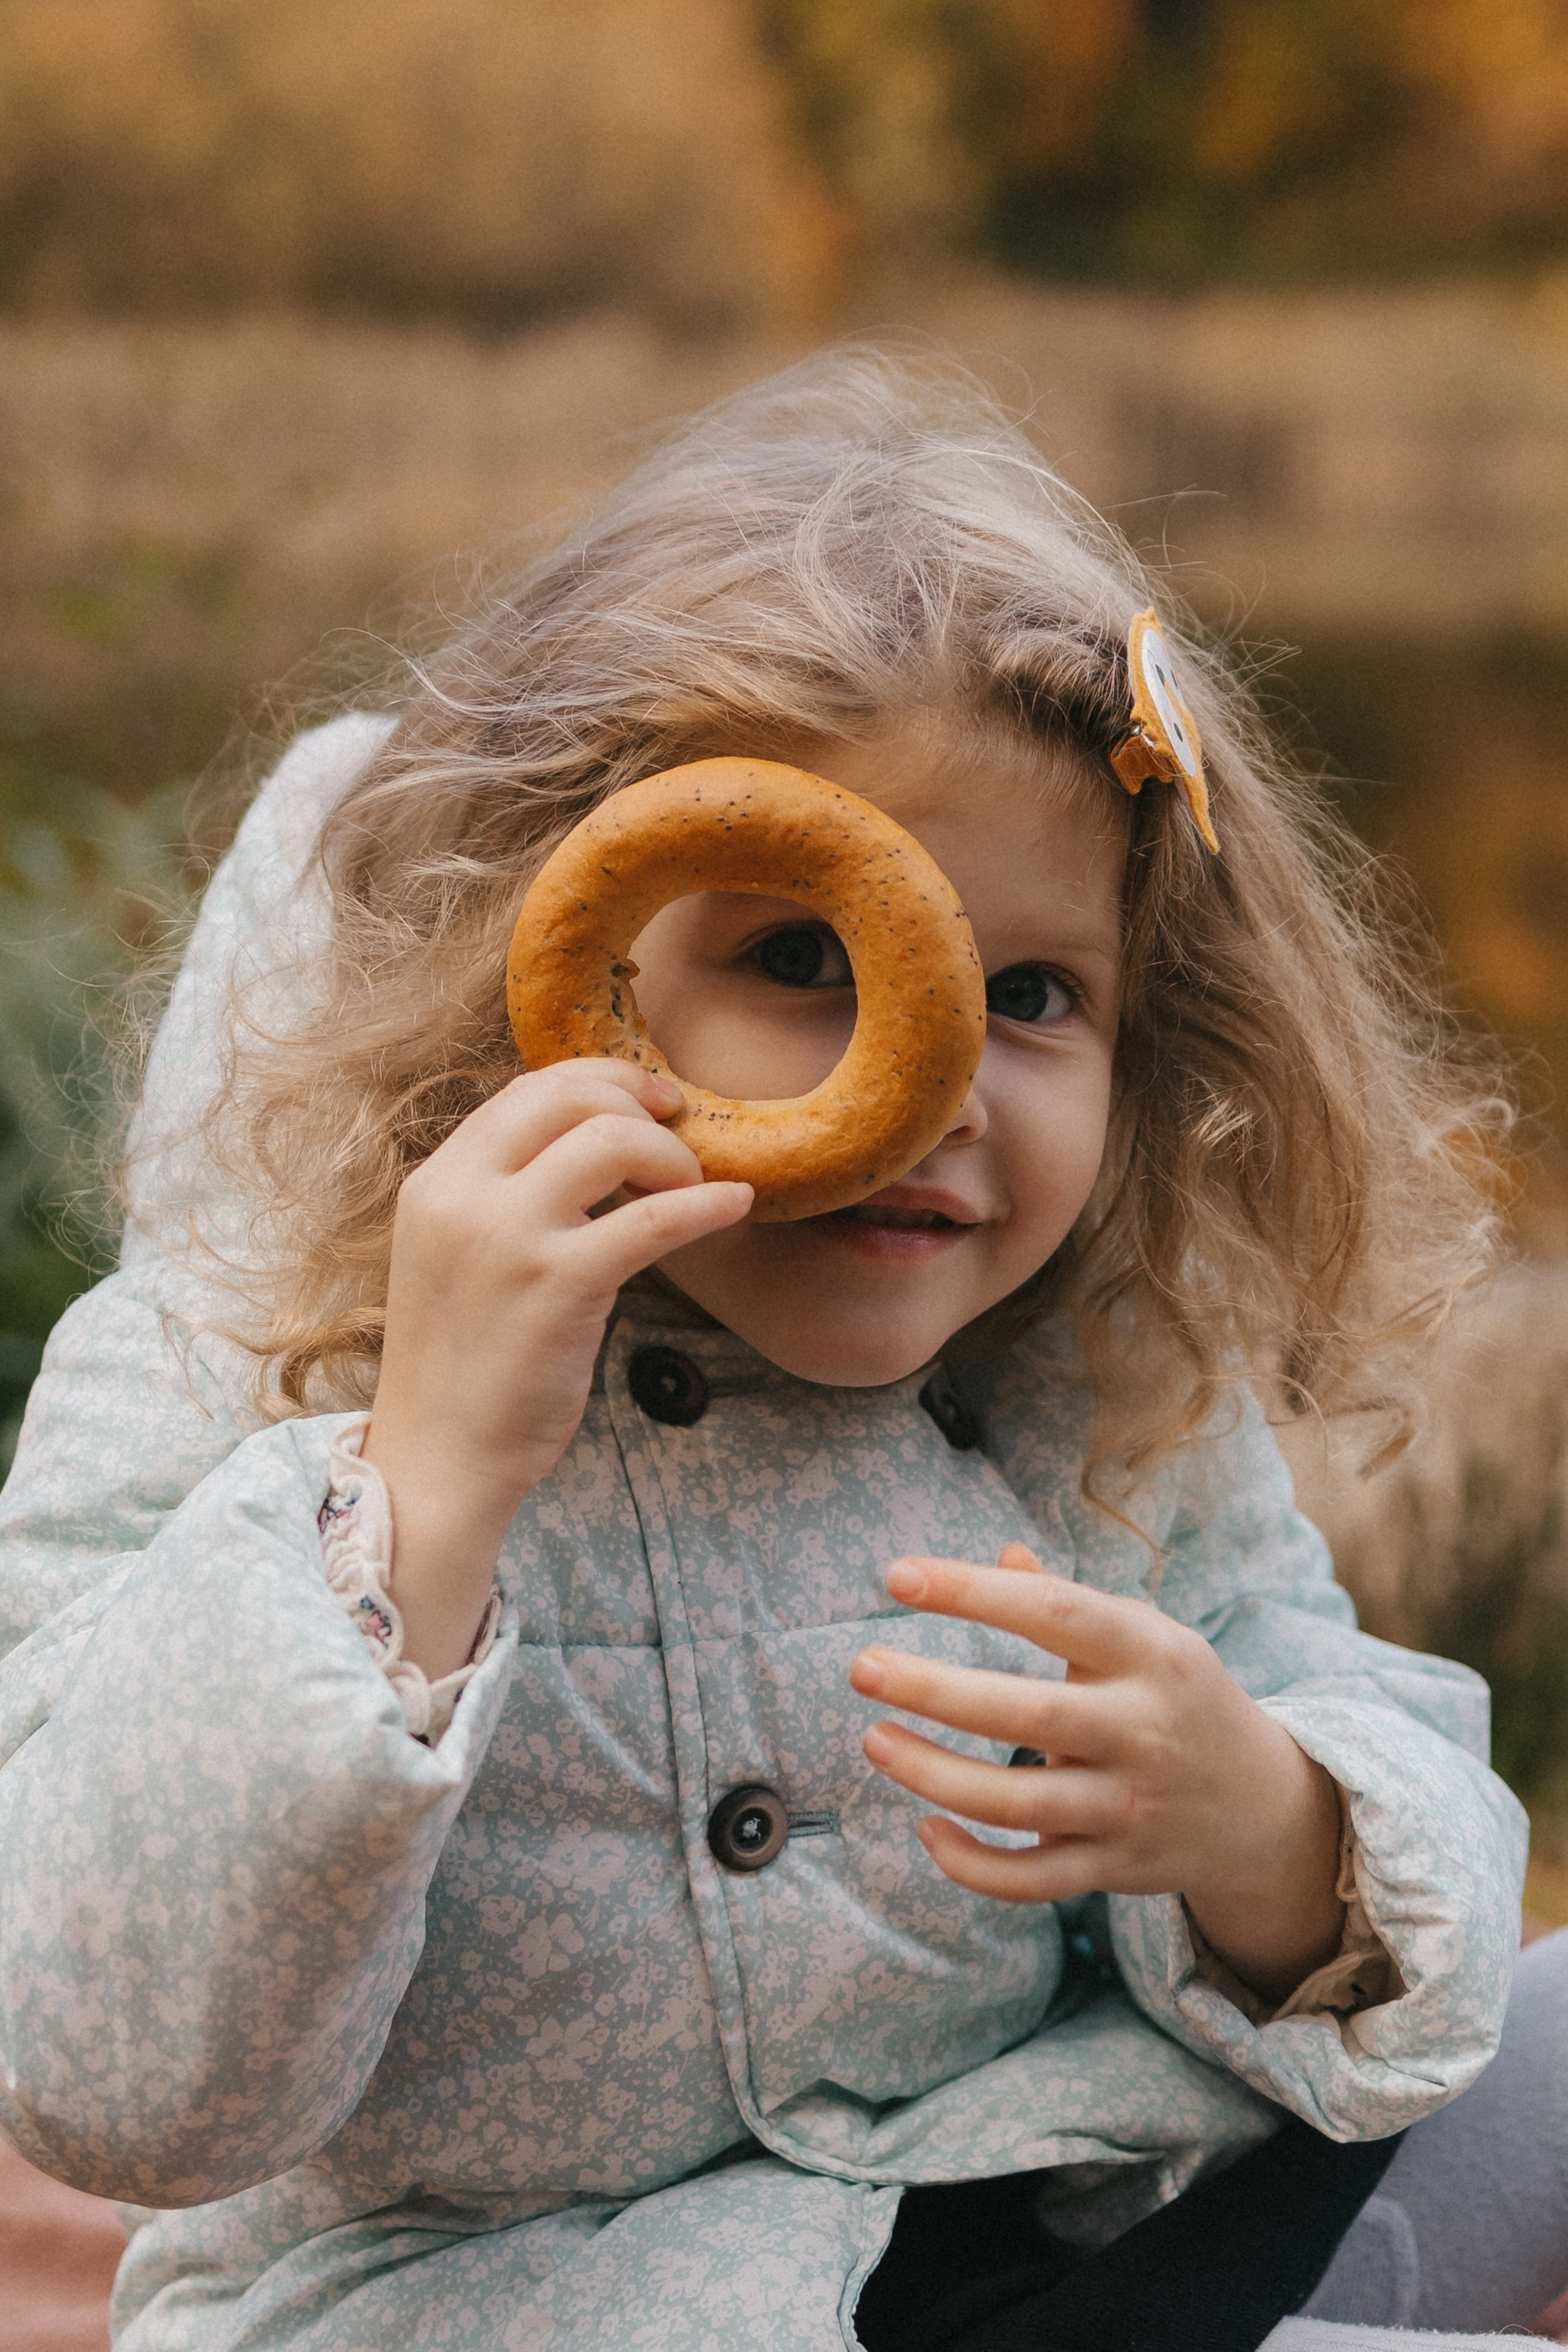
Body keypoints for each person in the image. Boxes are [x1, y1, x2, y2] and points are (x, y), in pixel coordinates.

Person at [0, 352, 1551, 2352]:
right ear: (544, 964)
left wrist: (1266, 1825)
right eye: (796, 957)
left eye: (1032, 993)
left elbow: (1338, 1730)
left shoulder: (1096, 1374)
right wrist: (414, 1488)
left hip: (1038, 2237)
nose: (927, 1088)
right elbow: (107, 2073)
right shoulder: (259, 1349)